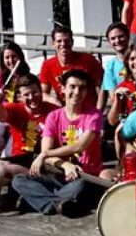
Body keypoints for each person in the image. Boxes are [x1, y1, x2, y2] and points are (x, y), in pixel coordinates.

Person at [12, 70, 112, 217]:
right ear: (63, 89)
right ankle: (58, 203)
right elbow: (48, 154)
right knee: (19, 180)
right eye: (72, 86)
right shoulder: (54, 116)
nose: (77, 92)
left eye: (82, 88)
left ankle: (45, 201)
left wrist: (44, 154)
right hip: (59, 174)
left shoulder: (94, 115)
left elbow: (80, 146)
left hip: (85, 176)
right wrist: (65, 165)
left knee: (82, 186)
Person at [0, 74, 57, 205]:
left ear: (41, 91)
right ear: (19, 97)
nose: (32, 98)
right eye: (26, 95)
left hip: (45, 162)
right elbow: (1, 115)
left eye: (35, 92)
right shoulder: (15, 108)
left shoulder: (54, 111)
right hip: (20, 161)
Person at [39, 26, 103, 108]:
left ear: (72, 42)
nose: (63, 44)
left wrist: (98, 110)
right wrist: (54, 100)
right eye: (59, 41)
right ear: (53, 44)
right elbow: (43, 93)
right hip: (64, 110)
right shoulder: (47, 64)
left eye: (66, 40)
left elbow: (101, 88)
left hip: (88, 111)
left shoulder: (88, 60)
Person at [106, 43, 136, 127]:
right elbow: (112, 121)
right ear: (127, 62)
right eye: (132, 59)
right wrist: (117, 100)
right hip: (131, 129)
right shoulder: (123, 86)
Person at [99, 22, 131, 109]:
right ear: (109, 42)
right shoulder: (110, 66)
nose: (117, 41)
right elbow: (113, 97)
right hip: (123, 109)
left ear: (128, 37)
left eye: (121, 36)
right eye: (113, 38)